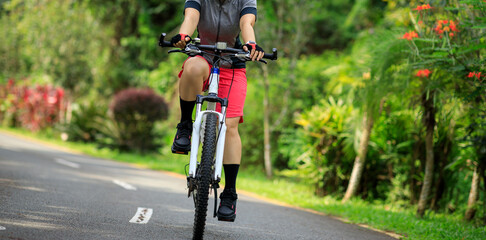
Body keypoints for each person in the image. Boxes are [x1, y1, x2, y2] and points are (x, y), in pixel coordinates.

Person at [170, 0, 264, 222]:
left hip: (232, 65)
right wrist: (183, 36)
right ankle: (185, 126)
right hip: (203, 57)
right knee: (191, 67)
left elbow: (246, 22)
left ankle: (229, 193)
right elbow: (191, 18)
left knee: (230, 127)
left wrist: (251, 44)